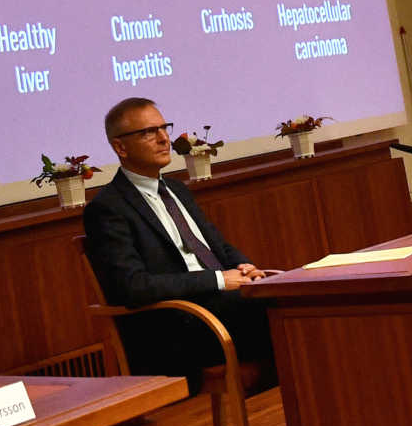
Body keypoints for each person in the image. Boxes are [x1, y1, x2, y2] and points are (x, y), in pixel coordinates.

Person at [82, 97, 275, 387]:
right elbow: (133, 287)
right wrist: (219, 280)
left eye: (164, 128)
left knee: (289, 298)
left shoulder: (177, 189)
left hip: (221, 308)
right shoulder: (108, 208)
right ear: (120, 147)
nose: (164, 139)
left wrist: (243, 267)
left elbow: (217, 247)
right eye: (149, 132)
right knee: (282, 315)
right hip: (177, 326)